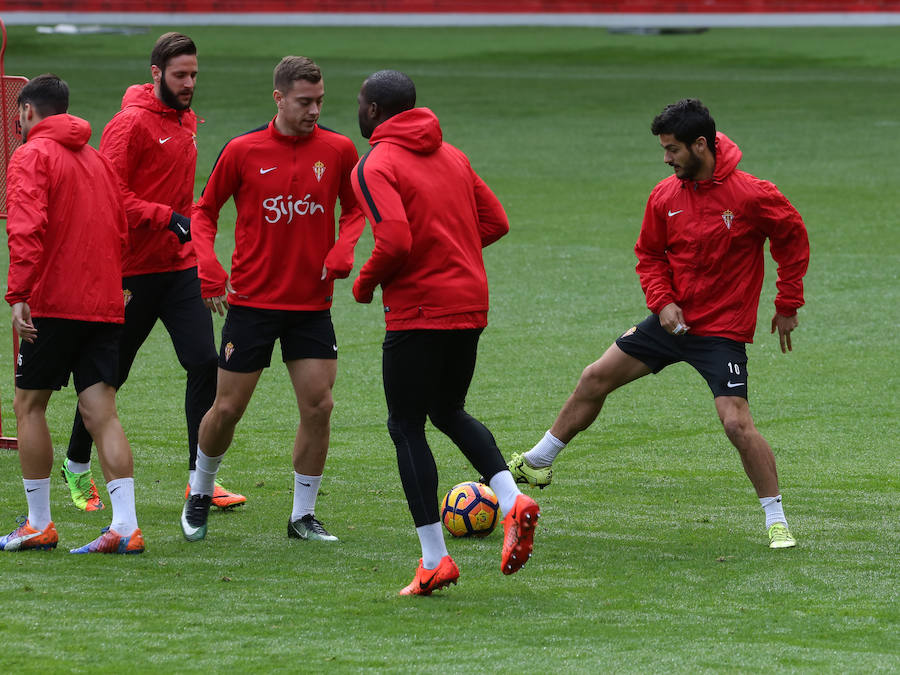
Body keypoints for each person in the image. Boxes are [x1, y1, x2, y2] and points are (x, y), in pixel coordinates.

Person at [510, 98, 809, 549]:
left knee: (735, 424)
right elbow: (649, 255)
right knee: (595, 377)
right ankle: (538, 460)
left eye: (673, 149)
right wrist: (663, 302)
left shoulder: (752, 194)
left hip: (721, 332)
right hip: (670, 325)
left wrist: (788, 302)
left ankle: (776, 519)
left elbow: (792, 238)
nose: (666, 158)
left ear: (701, 145)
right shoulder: (665, 196)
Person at [352, 70, 540, 595]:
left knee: (406, 426)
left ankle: (435, 560)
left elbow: (392, 241)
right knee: (448, 410)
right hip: (470, 304)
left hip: (418, 311)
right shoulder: (452, 154)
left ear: (372, 110)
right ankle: (512, 499)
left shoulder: (375, 163)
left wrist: (365, 285)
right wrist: (451, 249)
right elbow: (496, 221)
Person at [60, 32, 246, 514]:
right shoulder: (129, 125)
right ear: (156, 74)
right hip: (130, 270)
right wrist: (166, 216)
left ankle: (198, 480)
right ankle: (76, 465)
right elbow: (111, 196)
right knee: (110, 375)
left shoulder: (186, 120)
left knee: (205, 362)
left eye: (194, 75)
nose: (189, 84)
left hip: (178, 266)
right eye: (180, 75)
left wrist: (193, 238)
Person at [182, 55, 364, 543]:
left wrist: (345, 246)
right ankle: (200, 490)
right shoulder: (242, 150)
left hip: (311, 306)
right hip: (252, 304)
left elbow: (355, 209)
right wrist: (209, 264)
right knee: (227, 410)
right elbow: (203, 212)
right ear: (279, 98)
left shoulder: (339, 149)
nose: (314, 111)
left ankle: (302, 515)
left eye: (320, 101)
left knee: (319, 406)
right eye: (305, 102)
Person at [0, 74, 143, 554]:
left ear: (26, 113)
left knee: (29, 405)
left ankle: (39, 523)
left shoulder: (30, 155)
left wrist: (18, 293)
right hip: (102, 303)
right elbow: (120, 229)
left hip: (53, 304)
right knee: (101, 411)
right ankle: (125, 526)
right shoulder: (98, 159)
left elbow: (26, 226)